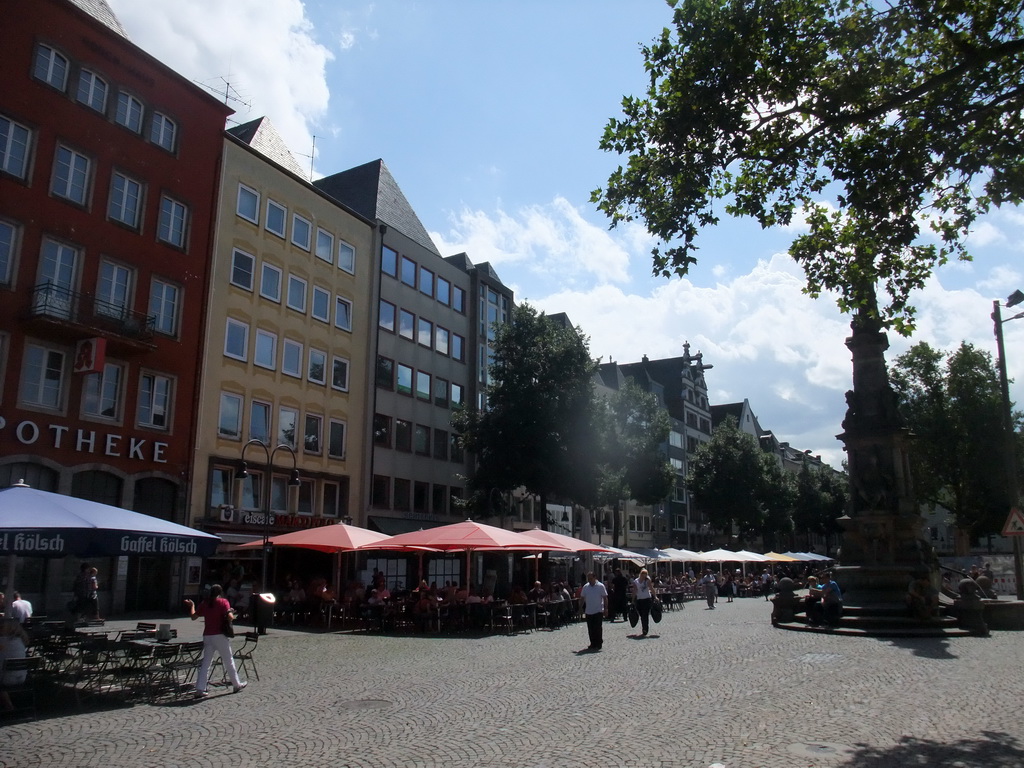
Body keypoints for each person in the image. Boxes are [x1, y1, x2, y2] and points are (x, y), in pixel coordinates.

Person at [184, 584, 246, 698]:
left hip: (208, 635)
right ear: (220, 592)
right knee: (228, 660)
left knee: (206, 663)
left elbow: (193, 617)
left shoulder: (205, 603)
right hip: (220, 635)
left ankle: (200, 688)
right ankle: (236, 684)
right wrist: (232, 612)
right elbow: (230, 617)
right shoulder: (223, 602)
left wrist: (192, 605)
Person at [0, 619, 29, 711]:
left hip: (5, 679)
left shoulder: (2, 641)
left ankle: (8, 705)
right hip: (21, 677)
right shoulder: (20, 642)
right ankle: (8, 704)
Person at [579, 571, 608, 651]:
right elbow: (582, 598)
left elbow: (605, 597)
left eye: (591, 578)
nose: (589, 580)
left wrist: (606, 608)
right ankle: (593, 643)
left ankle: (599, 643)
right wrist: (580, 608)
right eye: (588, 579)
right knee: (590, 628)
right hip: (589, 610)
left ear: (595, 578)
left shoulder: (600, 586)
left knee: (597, 628)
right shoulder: (586, 587)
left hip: (598, 610)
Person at [631, 568, 656, 636]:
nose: (644, 576)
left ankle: (645, 629)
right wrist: (633, 600)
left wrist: (655, 596)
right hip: (639, 600)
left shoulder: (647, 581)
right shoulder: (636, 581)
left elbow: (651, 588)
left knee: (645, 614)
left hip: (647, 599)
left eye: (646, 575)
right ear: (641, 574)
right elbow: (635, 591)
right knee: (641, 615)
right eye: (643, 574)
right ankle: (644, 627)